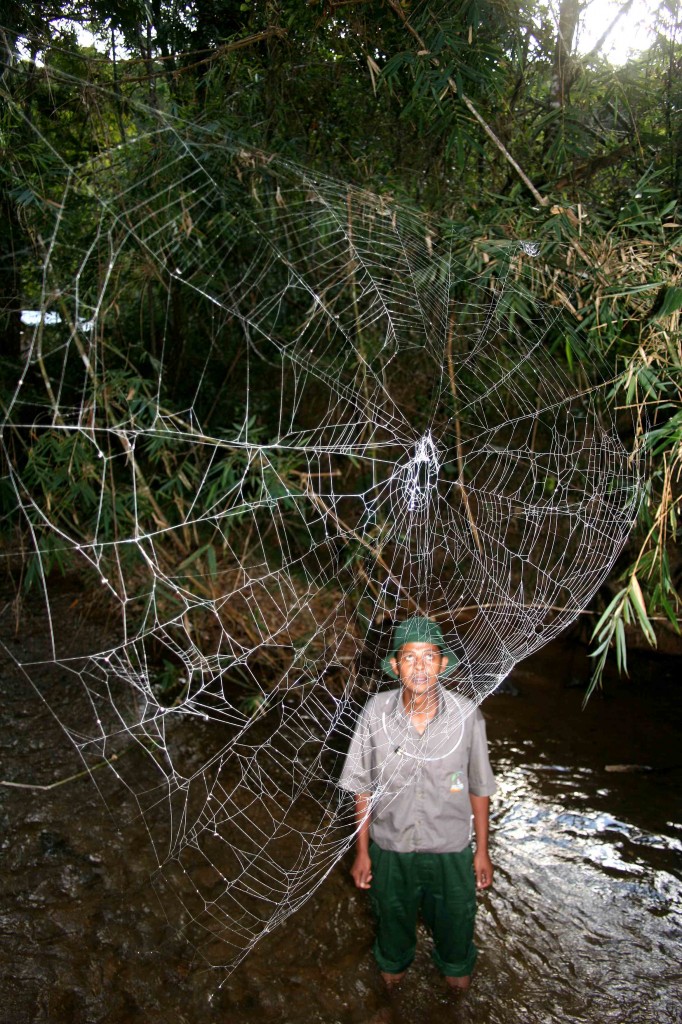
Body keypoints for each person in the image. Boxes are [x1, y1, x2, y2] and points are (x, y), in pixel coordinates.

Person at [339, 615, 496, 992]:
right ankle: (388, 1002)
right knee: (391, 956)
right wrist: (362, 853)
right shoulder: (374, 713)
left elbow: (479, 785)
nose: (420, 666)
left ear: (443, 664)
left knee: (457, 958)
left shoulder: (467, 716)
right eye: (410, 657)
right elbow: (362, 788)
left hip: (451, 851)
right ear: (395, 666)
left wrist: (482, 851)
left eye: (429, 657)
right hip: (392, 850)